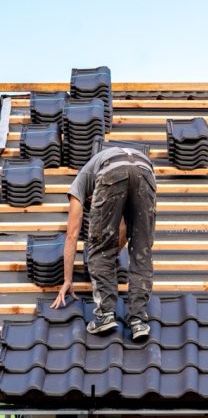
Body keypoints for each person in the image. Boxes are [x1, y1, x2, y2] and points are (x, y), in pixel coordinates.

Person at [51, 146, 157, 342]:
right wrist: (113, 253)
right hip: (145, 170)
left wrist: (68, 280)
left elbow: (72, 234)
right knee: (142, 249)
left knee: (99, 247)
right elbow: (124, 230)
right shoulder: (97, 168)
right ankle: (138, 321)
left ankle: (105, 315)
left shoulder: (79, 183)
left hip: (112, 171)